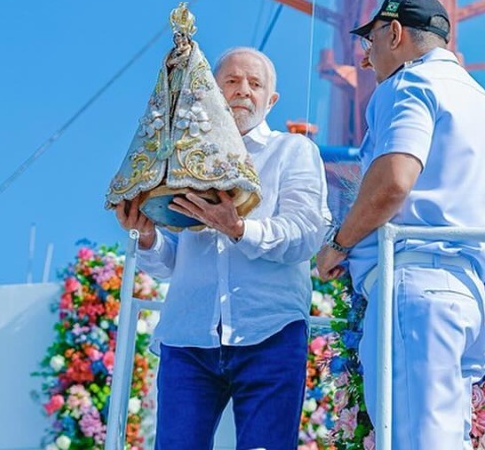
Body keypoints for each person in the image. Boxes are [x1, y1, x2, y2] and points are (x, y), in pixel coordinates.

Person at [315, 0, 485, 448]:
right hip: (465, 294)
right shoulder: (482, 102)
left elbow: (393, 181)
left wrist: (339, 244)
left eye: (370, 43)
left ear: (396, 32)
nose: (366, 59)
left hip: (416, 285)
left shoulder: (409, 85)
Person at [114, 47, 329, 450]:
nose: (243, 91)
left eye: (255, 83)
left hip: (271, 332)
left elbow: (306, 234)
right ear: (211, 90)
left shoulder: (294, 151)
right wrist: (146, 237)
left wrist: (238, 228)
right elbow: (170, 263)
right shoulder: (179, 160)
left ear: (272, 100)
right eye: (231, 81)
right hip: (189, 336)